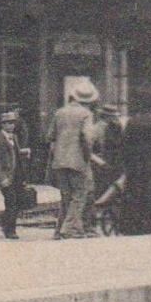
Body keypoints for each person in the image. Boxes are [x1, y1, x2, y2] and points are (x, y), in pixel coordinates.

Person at [49, 82, 98, 238]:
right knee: (79, 195)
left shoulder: (59, 113)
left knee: (66, 197)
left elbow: (49, 135)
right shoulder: (86, 114)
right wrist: (88, 155)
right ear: (88, 101)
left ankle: (58, 231)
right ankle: (69, 229)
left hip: (59, 160)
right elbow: (88, 137)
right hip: (78, 160)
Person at [116, 92, 151, 234]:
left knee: (133, 191)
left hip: (134, 163)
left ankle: (131, 225)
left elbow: (124, 142)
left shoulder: (132, 121)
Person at [0, 110, 30, 239]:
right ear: (2, 125)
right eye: (8, 123)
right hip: (6, 176)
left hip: (16, 174)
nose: (11, 126)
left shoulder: (14, 137)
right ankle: (10, 230)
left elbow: (14, 153)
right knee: (11, 202)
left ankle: (3, 219)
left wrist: (23, 152)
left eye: (13, 123)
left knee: (19, 201)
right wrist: (2, 178)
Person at [90, 102, 125, 220]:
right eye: (114, 116)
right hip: (101, 163)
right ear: (108, 116)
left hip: (106, 162)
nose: (116, 118)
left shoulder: (109, 127)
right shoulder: (97, 129)